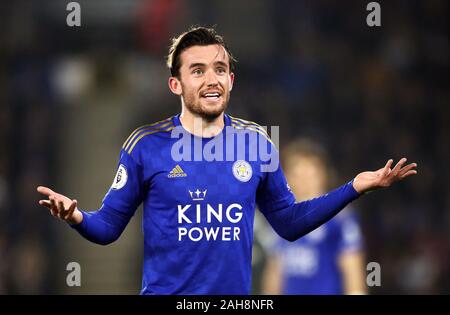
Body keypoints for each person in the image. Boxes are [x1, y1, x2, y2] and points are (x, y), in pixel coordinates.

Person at [36, 26, 417, 295]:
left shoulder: (257, 144)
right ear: (176, 84)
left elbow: (287, 222)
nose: (211, 79)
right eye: (197, 71)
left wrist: (353, 187)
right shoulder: (145, 146)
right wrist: (76, 217)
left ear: (231, 80)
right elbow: (108, 227)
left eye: (219, 70)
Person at [262, 139, 367, 295]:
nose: (304, 181)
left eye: (309, 173)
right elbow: (275, 270)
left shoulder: (340, 219)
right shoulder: (279, 218)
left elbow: (353, 274)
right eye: (297, 174)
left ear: (323, 175)